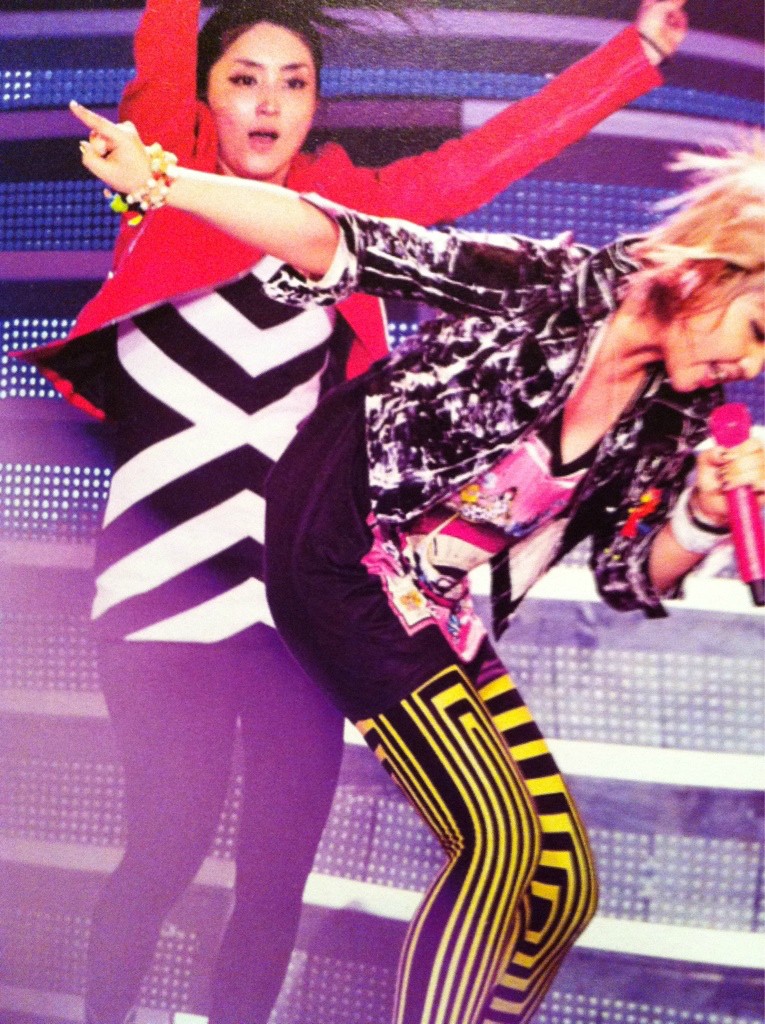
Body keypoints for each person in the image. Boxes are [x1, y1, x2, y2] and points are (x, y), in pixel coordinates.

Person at [22, 2, 686, 1021]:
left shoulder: (344, 215)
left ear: (314, 106)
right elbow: (165, 37)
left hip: (299, 594)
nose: (268, 103)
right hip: (163, 586)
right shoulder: (163, 172)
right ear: (203, 94)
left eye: (293, 83)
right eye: (244, 78)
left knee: (274, 877)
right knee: (166, 846)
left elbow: (482, 163)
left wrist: (632, 55)